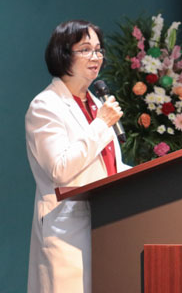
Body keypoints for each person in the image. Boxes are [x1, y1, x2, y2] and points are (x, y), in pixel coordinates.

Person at [26, 20, 131, 293]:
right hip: (67, 230)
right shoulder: (45, 106)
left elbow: (109, 168)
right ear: (63, 54)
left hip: (108, 222)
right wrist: (101, 124)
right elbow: (60, 169)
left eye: (98, 49)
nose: (96, 57)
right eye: (85, 49)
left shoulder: (96, 103)